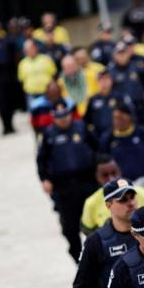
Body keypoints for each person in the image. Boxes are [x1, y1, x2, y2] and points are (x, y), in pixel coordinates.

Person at [65, 177, 139, 288]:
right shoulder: (97, 242)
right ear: (108, 205)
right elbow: (82, 287)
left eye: (132, 197)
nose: (130, 203)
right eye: (123, 199)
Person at [36, 105, 98, 262]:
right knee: (70, 229)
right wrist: (45, 180)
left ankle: (98, 259)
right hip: (64, 188)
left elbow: (98, 149)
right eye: (59, 117)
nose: (63, 119)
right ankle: (80, 261)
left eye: (66, 115)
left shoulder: (82, 127)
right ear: (54, 117)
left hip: (87, 183)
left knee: (95, 223)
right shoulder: (48, 134)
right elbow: (41, 160)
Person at [80, 155, 144, 236]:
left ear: (120, 170)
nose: (111, 178)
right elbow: (87, 231)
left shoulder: (140, 193)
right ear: (97, 177)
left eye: (114, 172)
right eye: (105, 175)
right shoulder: (91, 203)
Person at [98, 101, 144, 182]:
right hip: (122, 182)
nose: (117, 121)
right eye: (115, 118)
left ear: (130, 117)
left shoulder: (142, 133)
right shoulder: (107, 138)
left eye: (121, 118)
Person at [17, 39, 57, 108]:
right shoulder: (22, 63)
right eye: (26, 49)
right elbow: (21, 79)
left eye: (30, 48)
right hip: (31, 94)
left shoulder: (46, 59)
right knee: (35, 115)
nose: (29, 51)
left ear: (35, 48)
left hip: (47, 93)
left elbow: (54, 74)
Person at [83, 67, 120, 138]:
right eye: (101, 79)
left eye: (106, 78)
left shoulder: (119, 97)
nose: (104, 82)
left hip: (116, 135)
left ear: (111, 80)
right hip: (99, 136)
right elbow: (86, 120)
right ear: (97, 82)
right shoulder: (93, 100)